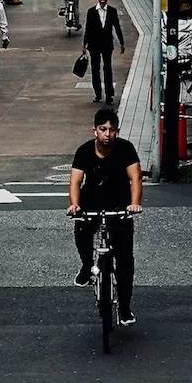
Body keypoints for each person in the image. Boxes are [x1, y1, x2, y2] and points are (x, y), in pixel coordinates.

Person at [68, 107, 141, 325]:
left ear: (116, 131)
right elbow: (75, 182)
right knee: (82, 231)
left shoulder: (126, 149)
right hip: (91, 202)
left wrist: (135, 204)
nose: (107, 134)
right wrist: (74, 205)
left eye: (111, 130)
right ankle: (86, 266)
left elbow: (135, 178)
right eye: (102, 129)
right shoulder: (84, 152)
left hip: (120, 204)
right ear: (94, 131)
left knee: (125, 258)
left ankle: (125, 308)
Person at [81, 0, 125, 105]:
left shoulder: (112, 11)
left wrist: (121, 42)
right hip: (94, 44)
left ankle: (109, 95)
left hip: (106, 44)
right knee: (95, 70)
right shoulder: (91, 12)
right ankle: (98, 94)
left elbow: (117, 27)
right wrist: (84, 45)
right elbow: (88, 28)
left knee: (108, 69)